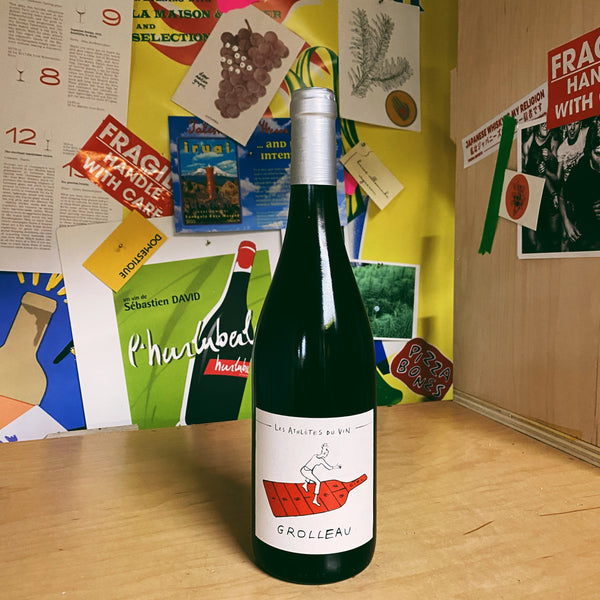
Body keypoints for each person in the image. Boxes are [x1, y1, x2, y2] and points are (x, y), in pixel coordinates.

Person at [521, 122, 560, 252]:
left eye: (547, 123)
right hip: (532, 193)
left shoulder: (554, 140)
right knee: (532, 240)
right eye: (542, 123)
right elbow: (523, 169)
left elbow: (557, 172)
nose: (544, 125)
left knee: (554, 234)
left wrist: (550, 158)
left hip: (549, 192)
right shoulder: (528, 141)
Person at [561, 124, 600, 252]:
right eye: (598, 154)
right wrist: (567, 223)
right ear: (589, 151)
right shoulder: (580, 171)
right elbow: (562, 196)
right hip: (587, 235)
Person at [556, 120, 589, 250]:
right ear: (565, 126)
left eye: (576, 124)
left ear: (580, 125)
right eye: (569, 124)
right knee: (565, 236)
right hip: (568, 193)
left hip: (584, 190)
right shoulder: (562, 149)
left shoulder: (586, 134)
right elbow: (559, 177)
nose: (572, 128)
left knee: (582, 234)